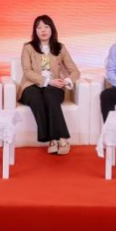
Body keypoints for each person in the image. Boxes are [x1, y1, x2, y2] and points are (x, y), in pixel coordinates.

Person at [19, 15, 81, 155]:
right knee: (36, 98)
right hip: (31, 84)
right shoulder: (28, 47)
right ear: (35, 31)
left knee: (50, 96)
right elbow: (27, 71)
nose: (43, 30)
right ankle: (53, 139)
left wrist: (66, 81)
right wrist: (47, 81)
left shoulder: (60, 48)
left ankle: (61, 139)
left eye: (46, 27)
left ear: (52, 29)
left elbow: (75, 71)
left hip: (54, 86)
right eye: (39, 27)